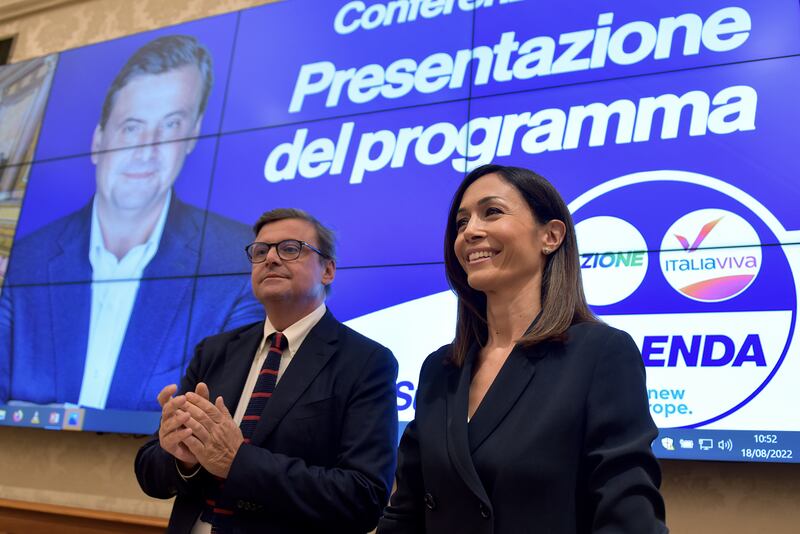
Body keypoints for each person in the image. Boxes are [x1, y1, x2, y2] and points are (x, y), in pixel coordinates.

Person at [378, 164, 667, 533]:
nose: (471, 232)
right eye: (461, 222)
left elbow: (629, 520)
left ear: (551, 236)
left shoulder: (601, 353)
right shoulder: (440, 368)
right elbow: (406, 513)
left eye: (492, 212)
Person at [0, 35, 262, 410]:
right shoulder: (24, 263)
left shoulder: (236, 262)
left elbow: (229, 415)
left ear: (193, 135)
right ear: (98, 140)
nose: (147, 150)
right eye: (132, 127)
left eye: (171, 125)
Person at [135, 208, 399, 533]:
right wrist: (183, 459)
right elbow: (151, 477)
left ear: (328, 270)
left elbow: (364, 497)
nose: (270, 259)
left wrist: (237, 463)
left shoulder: (366, 362)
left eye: (290, 249)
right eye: (260, 252)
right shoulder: (214, 351)